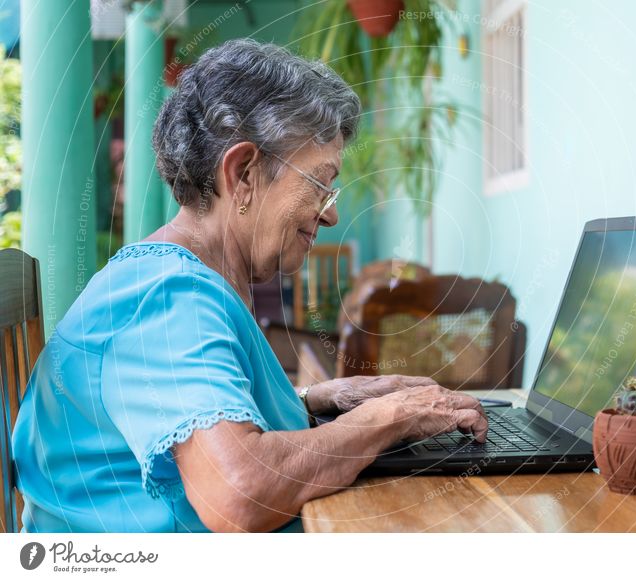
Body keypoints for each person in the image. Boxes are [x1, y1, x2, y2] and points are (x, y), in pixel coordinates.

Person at [12, 39, 487, 533]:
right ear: (243, 174)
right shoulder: (167, 298)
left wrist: (313, 400)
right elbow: (237, 492)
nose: (332, 212)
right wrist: (389, 419)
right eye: (320, 183)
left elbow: (191, 421)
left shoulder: (181, 280)